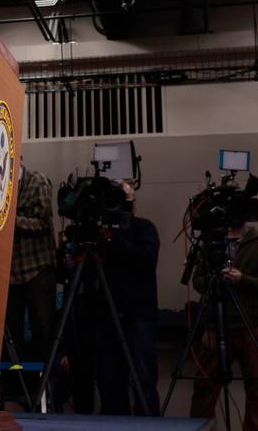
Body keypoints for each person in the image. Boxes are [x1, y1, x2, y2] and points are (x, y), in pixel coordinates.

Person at [189, 219, 258, 431]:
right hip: (216, 321)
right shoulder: (210, 243)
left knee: (257, 386)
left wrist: (243, 280)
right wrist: (215, 279)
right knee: (204, 385)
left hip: (252, 322)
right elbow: (198, 280)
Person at [93, 178, 160, 416]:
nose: (116, 205)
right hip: (107, 316)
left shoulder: (145, 228)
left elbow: (144, 260)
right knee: (110, 383)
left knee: (143, 380)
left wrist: (116, 235)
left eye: (123, 199)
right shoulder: (99, 236)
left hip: (138, 315)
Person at [0, 163, 58, 409]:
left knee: (42, 330)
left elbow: (42, 224)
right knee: (11, 336)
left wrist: (8, 217)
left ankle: (42, 389)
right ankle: (14, 391)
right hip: (11, 272)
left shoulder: (39, 181)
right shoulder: (0, 184)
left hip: (38, 267)